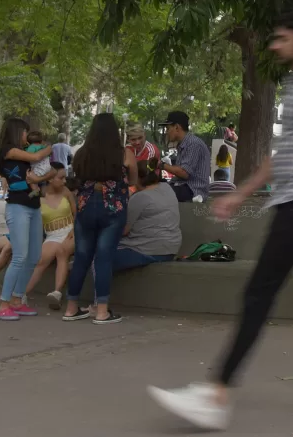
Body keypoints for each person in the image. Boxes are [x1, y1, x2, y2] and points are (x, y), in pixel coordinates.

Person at [149, 9, 293, 429]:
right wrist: (240, 192)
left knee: (258, 294)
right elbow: (283, 156)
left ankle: (216, 393)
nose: (275, 45)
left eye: (281, 38)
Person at [63, 112, 139, 324]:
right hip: (112, 209)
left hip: (85, 207)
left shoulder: (81, 154)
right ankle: (102, 311)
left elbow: (76, 179)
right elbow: (133, 179)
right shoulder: (124, 154)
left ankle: (71, 308)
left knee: (81, 257)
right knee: (104, 256)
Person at [0, 117, 57, 321]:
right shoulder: (8, 150)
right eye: (24, 132)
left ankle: (17, 299)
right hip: (17, 207)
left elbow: (53, 169)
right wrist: (49, 148)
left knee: (34, 255)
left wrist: (39, 179)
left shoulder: (27, 153)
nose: (26, 137)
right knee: (20, 255)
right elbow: (40, 155)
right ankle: (3, 303)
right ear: (15, 132)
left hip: (33, 206)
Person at [115, 166, 183, 271]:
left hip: (146, 250)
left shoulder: (139, 197)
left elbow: (123, 230)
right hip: (170, 249)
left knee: (101, 258)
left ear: (137, 178)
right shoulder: (166, 187)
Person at [29, 163, 77, 309]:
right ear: (49, 178)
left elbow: (77, 213)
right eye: (61, 178)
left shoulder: (66, 191)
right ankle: (20, 295)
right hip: (52, 234)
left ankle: (57, 293)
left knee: (62, 252)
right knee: (42, 260)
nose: (64, 181)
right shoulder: (38, 195)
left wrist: (74, 230)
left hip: (70, 230)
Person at [158, 111, 212, 203]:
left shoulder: (193, 144)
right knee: (154, 187)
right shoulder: (184, 144)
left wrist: (162, 165)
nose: (167, 132)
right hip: (184, 187)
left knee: (156, 193)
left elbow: (184, 173)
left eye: (168, 128)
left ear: (177, 127)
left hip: (193, 190)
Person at [23, 130, 52, 196]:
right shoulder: (43, 147)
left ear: (28, 142)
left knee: (30, 177)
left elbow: (28, 156)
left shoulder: (31, 147)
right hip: (47, 167)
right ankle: (44, 193)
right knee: (43, 182)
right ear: (41, 141)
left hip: (39, 168)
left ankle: (35, 189)